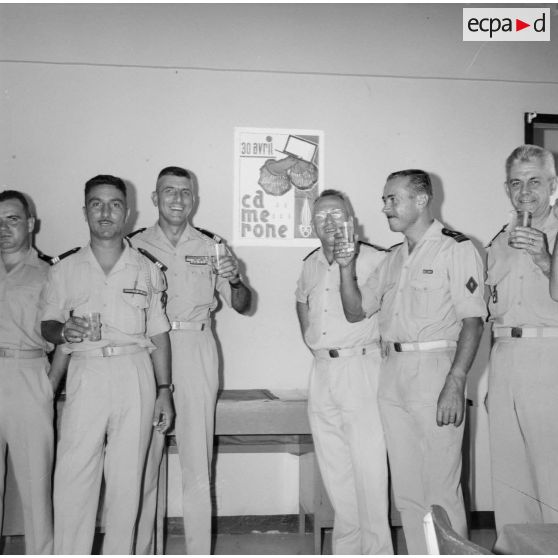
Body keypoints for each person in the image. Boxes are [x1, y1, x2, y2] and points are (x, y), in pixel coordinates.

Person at [336, 170, 486, 554]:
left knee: (441, 489)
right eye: (384, 199)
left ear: (421, 201)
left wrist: (456, 381)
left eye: (392, 199)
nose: (385, 207)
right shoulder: (393, 258)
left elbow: (473, 320)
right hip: (394, 374)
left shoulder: (456, 249)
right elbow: (355, 312)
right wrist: (345, 266)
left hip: (436, 372)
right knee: (407, 491)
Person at [40, 175, 173, 554]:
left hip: (135, 373)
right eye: (96, 204)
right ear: (85, 211)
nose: (106, 212)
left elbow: (159, 333)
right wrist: (63, 331)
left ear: (127, 213)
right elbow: (47, 323)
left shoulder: (147, 268)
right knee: (72, 479)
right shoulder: (64, 268)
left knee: (127, 483)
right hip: (86, 374)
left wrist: (164, 391)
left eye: (114, 204)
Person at [131, 166, 251, 554]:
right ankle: (143, 549)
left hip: (197, 345)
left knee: (197, 462)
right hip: (147, 350)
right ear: (155, 198)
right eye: (169, 191)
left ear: (194, 200)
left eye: (185, 192)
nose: (178, 199)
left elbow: (243, 305)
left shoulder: (211, 245)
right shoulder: (133, 245)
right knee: (143, 462)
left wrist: (235, 280)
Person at [295, 190, 393, 555]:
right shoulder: (310, 263)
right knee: (336, 475)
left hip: (361, 369)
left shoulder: (377, 260)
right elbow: (301, 301)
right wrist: (313, 342)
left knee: (369, 472)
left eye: (337, 214)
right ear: (313, 225)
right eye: (322, 217)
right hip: (322, 371)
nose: (330, 222)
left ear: (353, 218)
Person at [487, 145, 558, 534]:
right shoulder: (499, 240)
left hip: (550, 356)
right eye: (516, 182)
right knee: (510, 480)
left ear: (553, 185)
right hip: (505, 360)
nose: (525, 191)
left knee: (553, 476)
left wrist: (547, 261)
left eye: (535, 181)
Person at [0, 190, 54, 554]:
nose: (3, 228)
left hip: (27, 373)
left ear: (31, 224)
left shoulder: (49, 273)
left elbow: (63, 336)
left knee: (35, 485)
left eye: (12, 219)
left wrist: (49, 383)